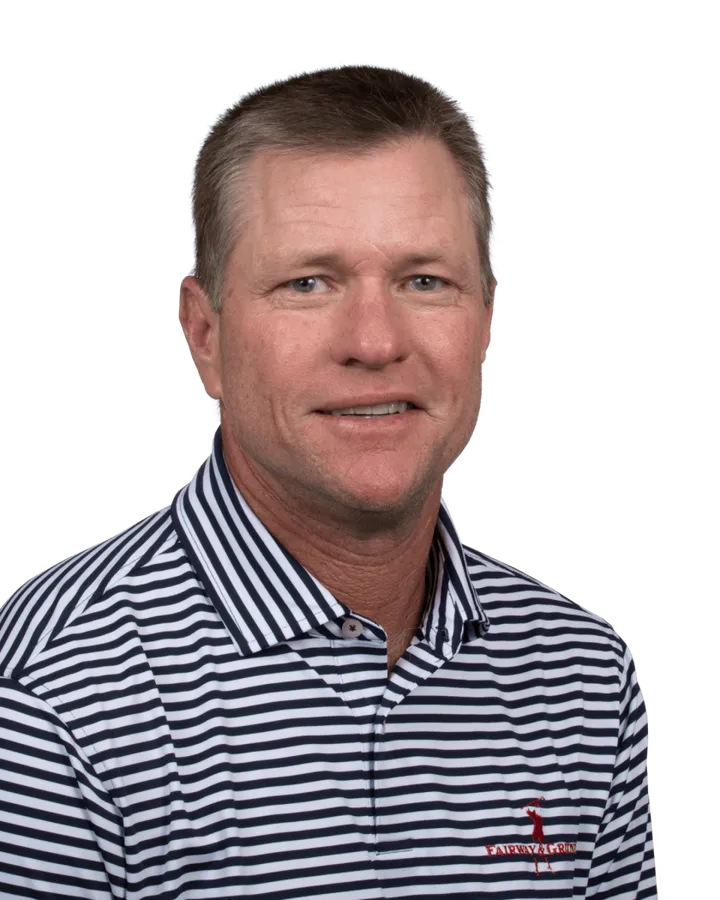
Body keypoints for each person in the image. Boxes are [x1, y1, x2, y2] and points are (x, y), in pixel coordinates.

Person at [0, 64, 659, 898]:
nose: (375, 343)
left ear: (486, 317)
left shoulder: (584, 678)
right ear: (204, 334)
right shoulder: (49, 696)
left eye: (425, 281)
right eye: (308, 283)